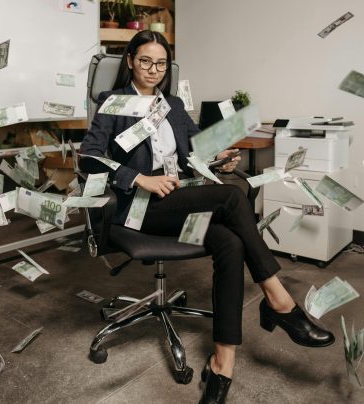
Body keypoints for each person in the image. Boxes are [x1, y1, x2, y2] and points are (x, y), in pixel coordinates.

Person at [80, 30, 335, 404]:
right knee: (233, 197)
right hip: (138, 206)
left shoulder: (174, 107)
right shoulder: (113, 102)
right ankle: (279, 301)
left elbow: (196, 152)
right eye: (146, 61)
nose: (154, 70)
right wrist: (140, 178)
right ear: (131, 61)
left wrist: (218, 159)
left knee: (229, 241)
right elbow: (89, 157)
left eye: (161, 63)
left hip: (177, 199)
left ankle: (222, 364)